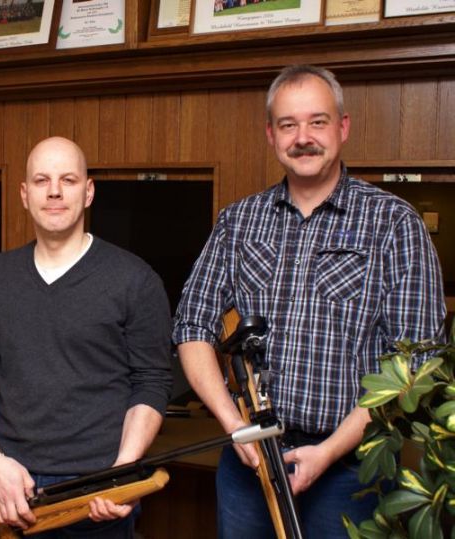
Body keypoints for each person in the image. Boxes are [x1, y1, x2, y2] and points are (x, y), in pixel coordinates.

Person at [173, 64, 447, 539]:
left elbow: (415, 360)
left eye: (318, 122)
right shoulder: (239, 221)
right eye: (288, 125)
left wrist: (330, 450)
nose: (303, 137)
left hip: (350, 472)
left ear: (343, 127)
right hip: (249, 462)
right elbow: (191, 324)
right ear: (271, 135)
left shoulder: (394, 224)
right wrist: (233, 423)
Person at [0, 136, 173, 538]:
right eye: (42, 180)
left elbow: (152, 381)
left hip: (98, 484)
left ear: (88, 192)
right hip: (11, 482)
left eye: (68, 180)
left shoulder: (135, 280)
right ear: (24, 194)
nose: (54, 191)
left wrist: (121, 472)